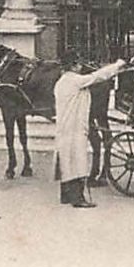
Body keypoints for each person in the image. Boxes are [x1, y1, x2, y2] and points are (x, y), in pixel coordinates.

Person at [54, 59, 129, 208]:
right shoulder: (75, 80)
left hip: (64, 126)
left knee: (66, 161)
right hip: (75, 127)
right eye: (78, 64)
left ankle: (66, 195)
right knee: (77, 161)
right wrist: (117, 65)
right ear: (74, 66)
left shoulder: (60, 82)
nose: (81, 66)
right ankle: (78, 198)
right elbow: (97, 76)